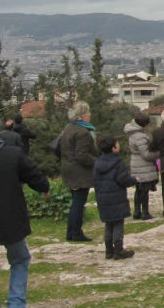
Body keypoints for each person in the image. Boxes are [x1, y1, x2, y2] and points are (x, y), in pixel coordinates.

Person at [0, 114, 49, 308]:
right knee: (20, 259)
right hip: (11, 221)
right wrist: (44, 188)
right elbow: (35, 176)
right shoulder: (13, 154)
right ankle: (16, 302)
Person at [93, 136, 137, 260]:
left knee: (108, 224)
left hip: (103, 198)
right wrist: (133, 180)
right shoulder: (118, 163)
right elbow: (123, 179)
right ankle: (119, 250)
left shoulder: (97, 163)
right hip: (117, 197)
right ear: (113, 148)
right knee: (118, 223)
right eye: (117, 144)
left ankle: (108, 251)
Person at [60, 101, 98, 242]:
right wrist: (97, 163)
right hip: (79, 171)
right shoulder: (83, 132)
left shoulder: (68, 128)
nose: (90, 114)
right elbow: (82, 155)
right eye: (88, 112)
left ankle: (71, 232)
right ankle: (76, 232)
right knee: (78, 203)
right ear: (82, 115)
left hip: (67, 167)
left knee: (75, 201)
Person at [124, 112, 160, 220]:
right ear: (144, 125)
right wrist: (159, 154)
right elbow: (146, 154)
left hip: (135, 163)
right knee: (144, 190)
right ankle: (145, 212)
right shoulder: (141, 137)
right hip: (143, 165)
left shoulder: (132, 134)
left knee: (138, 189)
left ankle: (136, 211)